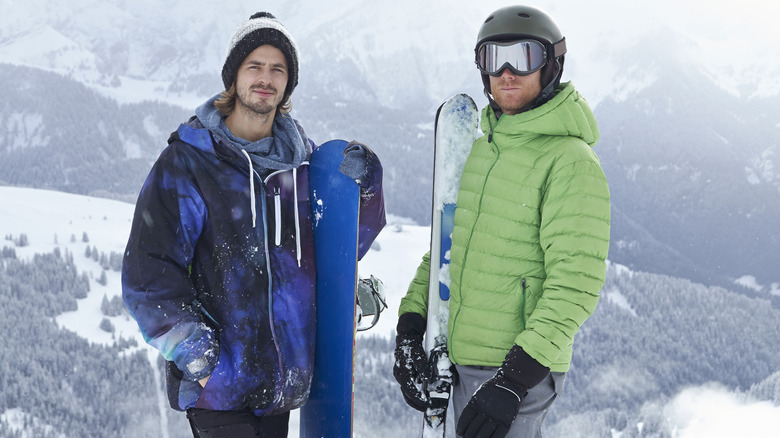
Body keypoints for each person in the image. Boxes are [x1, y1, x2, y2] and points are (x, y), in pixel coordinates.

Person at [122, 12, 385, 438]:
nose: (266, 78)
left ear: (287, 84)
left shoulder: (302, 164)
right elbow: (147, 275)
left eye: (277, 69)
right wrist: (201, 359)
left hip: (280, 387)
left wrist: (364, 191)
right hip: (221, 391)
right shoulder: (190, 162)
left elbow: (343, 247)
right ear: (234, 78)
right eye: (254, 67)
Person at [394, 5, 610, 438]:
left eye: (524, 56)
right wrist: (411, 325)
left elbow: (576, 285)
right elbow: (448, 241)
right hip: (463, 360)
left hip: (515, 371)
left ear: (551, 65)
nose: (507, 72)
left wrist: (513, 381)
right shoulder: (483, 150)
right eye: (494, 58)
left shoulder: (570, 161)